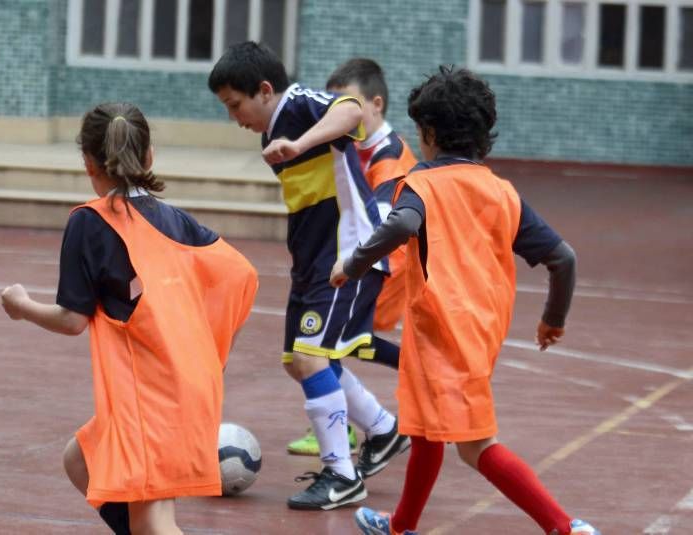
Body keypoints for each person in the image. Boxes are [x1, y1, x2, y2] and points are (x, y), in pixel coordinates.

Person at [329, 66, 600, 535]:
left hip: (440, 333)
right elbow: (564, 259)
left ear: (429, 133)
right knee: (427, 428)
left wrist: (352, 264)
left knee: (476, 447)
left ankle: (564, 527)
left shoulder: (422, 184)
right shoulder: (503, 193)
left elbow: (399, 226)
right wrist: (552, 319)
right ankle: (401, 526)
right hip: (478, 332)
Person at [0, 102, 258, 535]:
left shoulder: (89, 222)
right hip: (186, 385)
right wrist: (208, 352)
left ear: (87, 163)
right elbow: (241, 276)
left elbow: (72, 319)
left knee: (155, 521)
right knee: (81, 459)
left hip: (149, 397)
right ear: (149, 155)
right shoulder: (176, 220)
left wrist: (21, 305)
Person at [208, 41, 410, 511]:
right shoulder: (269, 135)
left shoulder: (301, 105)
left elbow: (352, 109)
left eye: (235, 105)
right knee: (298, 360)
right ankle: (383, 430)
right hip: (313, 264)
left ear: (263, 90)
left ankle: (342, 475)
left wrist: (300, 142)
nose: (234, 117)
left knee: (310, 358)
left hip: (346, 258)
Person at [286, 57, 418, 457]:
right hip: (360, 263)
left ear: (375, 104)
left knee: (324, 347)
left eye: (347, 105)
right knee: (323, 347)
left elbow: (378, 221)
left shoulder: (389, 156)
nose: (338, 114)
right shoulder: (352, 147)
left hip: (384, 269)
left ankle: (398, 398)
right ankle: (357, 422)